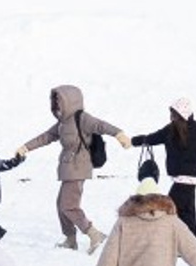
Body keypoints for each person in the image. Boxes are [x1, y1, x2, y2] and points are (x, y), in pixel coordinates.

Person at [17, 84, 132, 254]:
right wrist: (26, 147)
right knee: (61, 205)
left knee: (68, 206)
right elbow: (46, 137)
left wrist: (119, 135)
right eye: (55, 101)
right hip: (67, 168)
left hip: (79, 167)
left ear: (70, 101)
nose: (57, 104)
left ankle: (94, 234)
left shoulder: (82, 118)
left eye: (59, 100)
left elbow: (101, 125)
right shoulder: (63, 123)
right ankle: (70, 239)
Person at [129, 98, 196, 238]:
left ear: (182, 114)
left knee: (167, 211)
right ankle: (193, 242)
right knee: (187, 215)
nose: (171, 117)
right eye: (171, 113)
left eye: (174, 114)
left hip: (187, 181)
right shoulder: (171, 129)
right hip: (179, 180)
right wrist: (132, 141)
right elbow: (152, 138)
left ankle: (163, 241)